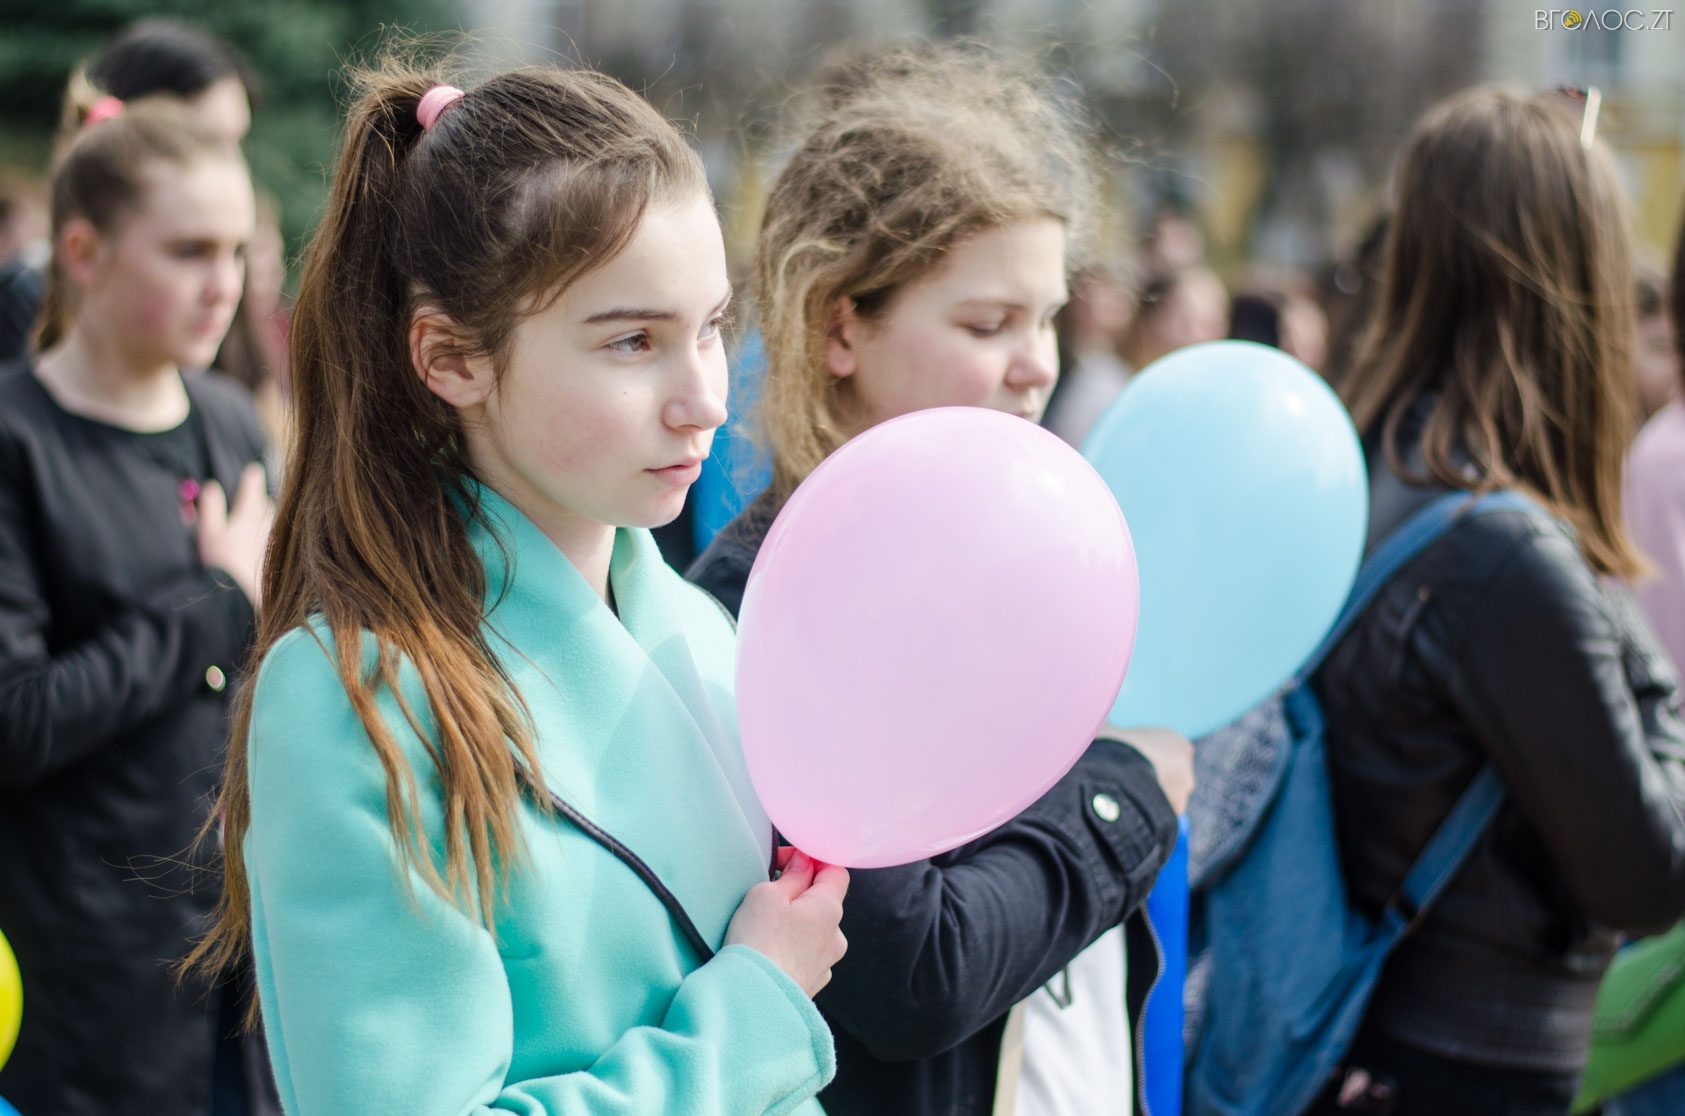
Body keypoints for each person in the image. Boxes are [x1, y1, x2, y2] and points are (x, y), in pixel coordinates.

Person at [185, 60, 848, 1115]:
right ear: (451, 358)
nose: (705, 400)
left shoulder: (700, 627)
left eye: (711, 327)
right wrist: (753, 1010)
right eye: (632, 340)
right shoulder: (355, 696)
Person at [689, 44, 1188, 1116]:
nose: (1037, 363)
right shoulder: (774, 602)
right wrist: (1124, 793)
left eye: (1047, 316)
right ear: (841, 327)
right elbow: (916, 968)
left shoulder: (1007, 566)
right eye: (986, 323)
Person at [1311, 86, 1685, 1115]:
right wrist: (1647, 671)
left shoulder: (1375, 468)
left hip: (1384, 1041)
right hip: (1469, 1066)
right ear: (1577, 282)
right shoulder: (1500, 552)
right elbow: (1649, 879)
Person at [0, 101, 274, 1114]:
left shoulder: (230, 420)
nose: (224, 284)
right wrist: (215, 602)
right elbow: (17, 719)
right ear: (84, 252)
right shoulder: (18, 442)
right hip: (85, 979)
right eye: (189, 251)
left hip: (241, 962)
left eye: (236, 252)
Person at [0, 18, 255, 362]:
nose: (224, 288)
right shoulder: (24, 299)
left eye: (237, 143)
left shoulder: (222, 285)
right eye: (208, 140)